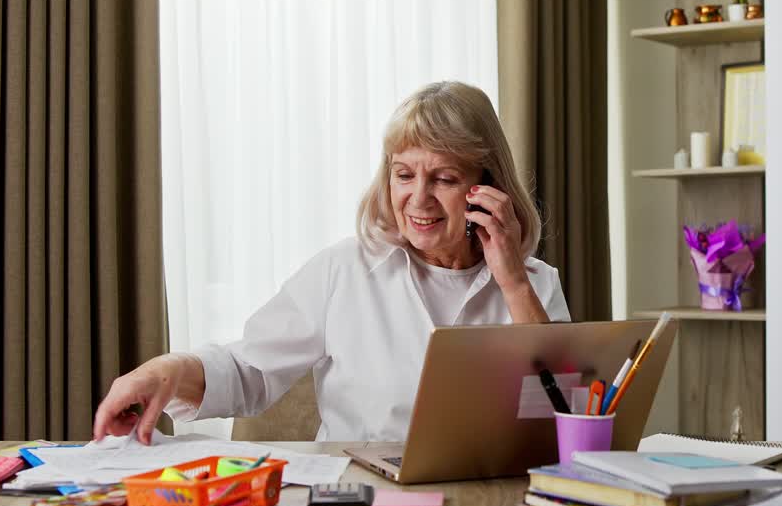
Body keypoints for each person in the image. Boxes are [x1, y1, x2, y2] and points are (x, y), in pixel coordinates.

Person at [93, 81, 571, 444]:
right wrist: (167, 370)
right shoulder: (345, 270)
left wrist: (510, 281)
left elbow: (562, 417)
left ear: (485, 187)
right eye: (404, 174)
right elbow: (250, 371)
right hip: (363, 503)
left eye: (443, 178)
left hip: (496, 503)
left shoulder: (534, 284)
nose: (418, 199)